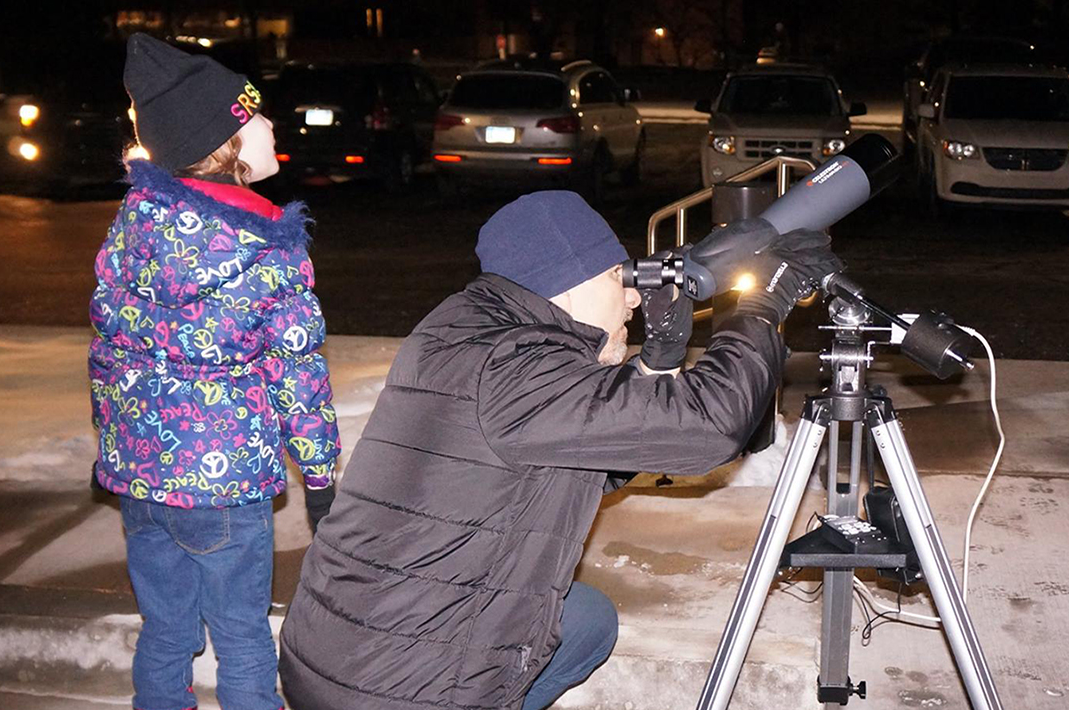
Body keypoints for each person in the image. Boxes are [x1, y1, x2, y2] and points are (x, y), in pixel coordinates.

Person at [278, 190, 840, 710]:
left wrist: (657, 359)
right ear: (564, 287)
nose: (629, 298)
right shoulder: (519, 371)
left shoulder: (461, 329)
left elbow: (585, 455)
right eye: (615, 279)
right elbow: (711, 426)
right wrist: (760, 310)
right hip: (398, 688)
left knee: (587, 619)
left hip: (333, 650)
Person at [89, 33, 340, 710]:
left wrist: (115, 445)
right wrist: (319, 476)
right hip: (226, 483)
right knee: (242, 633)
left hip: (144, 481)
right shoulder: (270, 247)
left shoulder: (133, 224)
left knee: (165, 629)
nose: (270, 124)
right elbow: (298, 370)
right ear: (225, 142)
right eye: (256, 115)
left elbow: (111, 345)